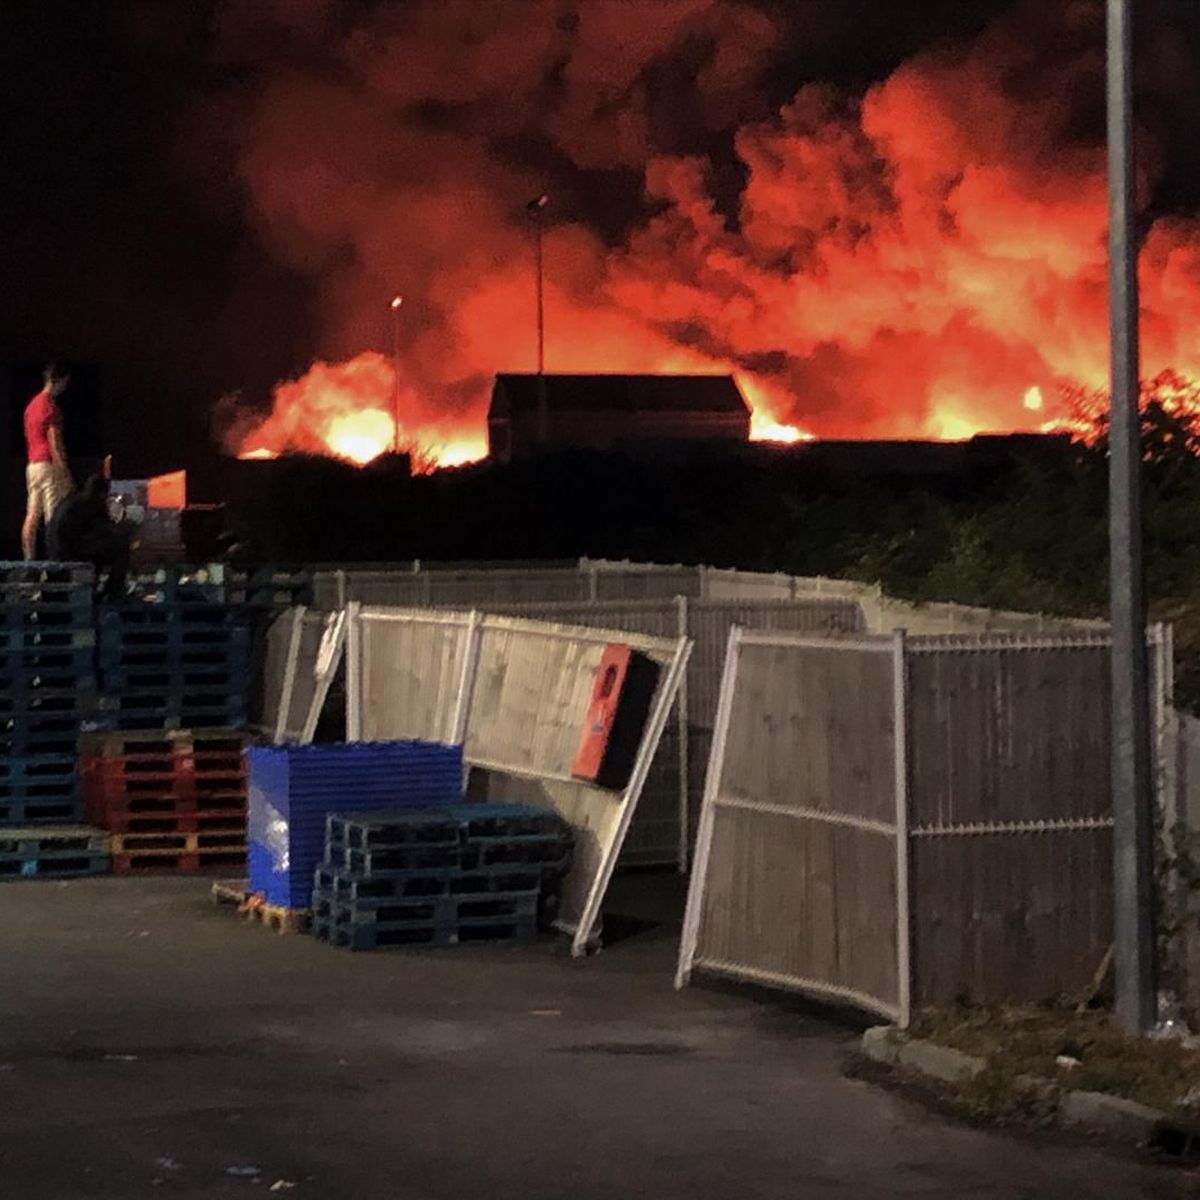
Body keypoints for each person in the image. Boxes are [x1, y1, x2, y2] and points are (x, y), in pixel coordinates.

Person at [46, 473, 130, 599]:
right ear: (101, 493)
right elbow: (104, 531)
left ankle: (101, 590)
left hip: (57, 553)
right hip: (71, 553)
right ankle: (113, 593)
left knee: (103, 549)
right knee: (121, 549)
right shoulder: (89, 504)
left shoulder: (71, 501)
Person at [22, 363, 73, 560]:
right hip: (49, 465)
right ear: (56, 381)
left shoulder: (31, 407)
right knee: (53, 516)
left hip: (32, 465)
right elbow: (55, 443)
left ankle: (29, 560)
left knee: (32, 515)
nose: (65, 388)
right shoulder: (50, 408)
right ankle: (53, 562)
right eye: (64, 383)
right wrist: (65, 471)